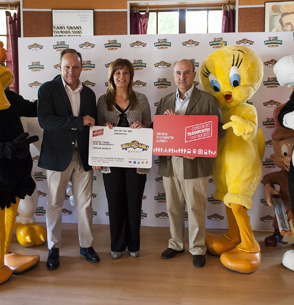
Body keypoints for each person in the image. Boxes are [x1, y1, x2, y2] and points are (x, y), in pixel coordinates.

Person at [155, 59, 223, 268]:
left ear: (194, 75)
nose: (182, 77)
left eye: (186, 73)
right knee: (173, 206)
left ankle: (197, 248)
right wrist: (166, 122)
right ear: (173, 76)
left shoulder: (208, 100)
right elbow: (159, 131)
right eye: (178, 73)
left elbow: (219, 131)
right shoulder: (165, 101)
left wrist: (199, 149)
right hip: (170, 161)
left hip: (196, 162)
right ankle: (176, 244)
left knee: (195, 207)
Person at [37, 48, 99, 270]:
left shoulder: (90, 94)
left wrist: (98, 154)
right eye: (67, 67)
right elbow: (45, 121)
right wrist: (77, 122)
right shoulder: (47, 89)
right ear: (60, 67)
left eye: (75, 66)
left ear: (82, 67)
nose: (71, 71)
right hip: (56, 156)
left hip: (83, 157)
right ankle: (53, 249)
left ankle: (86, 245)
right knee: (54, 203)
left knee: (85, 205)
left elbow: (94, 127)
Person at [93, 58, 152, 260]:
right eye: (117, 72)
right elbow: (96, 131)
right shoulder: (103, 100)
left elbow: (150, 129)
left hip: (136, 160)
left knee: (134, 202)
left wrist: (143, 128)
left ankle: (134, 244)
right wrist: (104, 129)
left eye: (125, 72)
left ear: (131, 76)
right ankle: (117, 245)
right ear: (111, 76)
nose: (121, 76)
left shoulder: (142, 99)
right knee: (115, 202)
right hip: (111, 161)